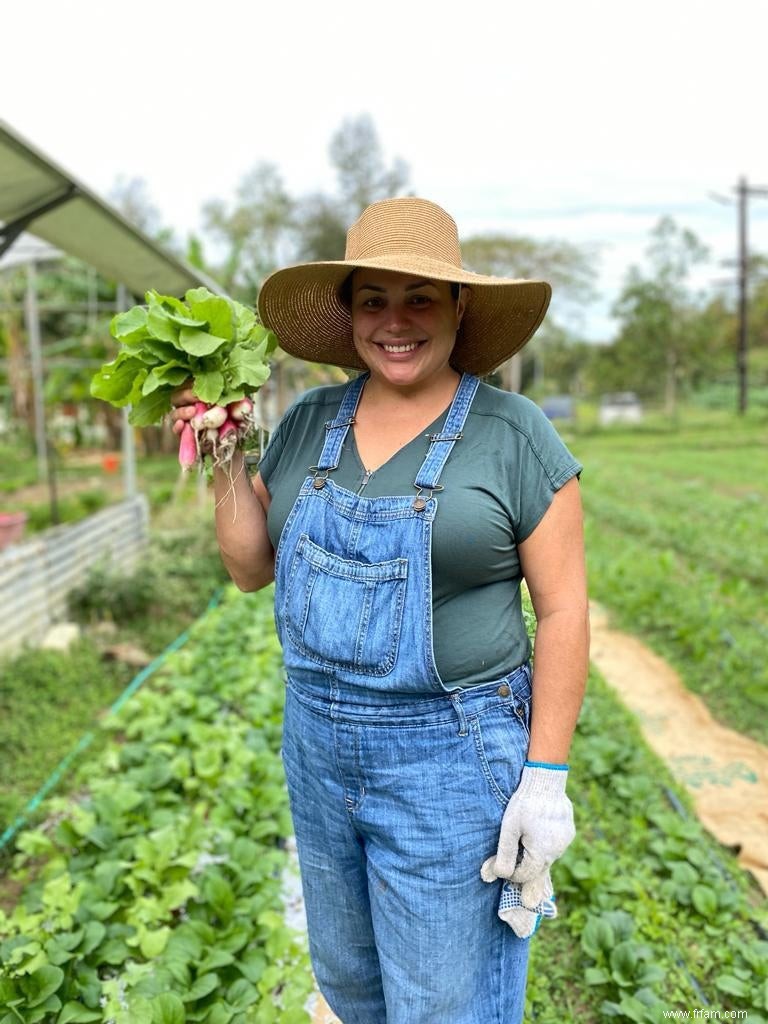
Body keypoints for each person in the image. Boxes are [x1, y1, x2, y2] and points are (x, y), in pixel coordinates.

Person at [171, 197, 589, 1024]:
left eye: (420, 298)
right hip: (319, 749)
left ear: (459, 309)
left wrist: (545, 779)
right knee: (352, 987)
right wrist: (223, 451)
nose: (396, 322)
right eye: (374, 300)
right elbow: (251, 568)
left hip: (451, 755)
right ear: (350, 314)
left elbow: (566, 609)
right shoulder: (307, 423)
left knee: (445, 1002)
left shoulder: (513, 434)